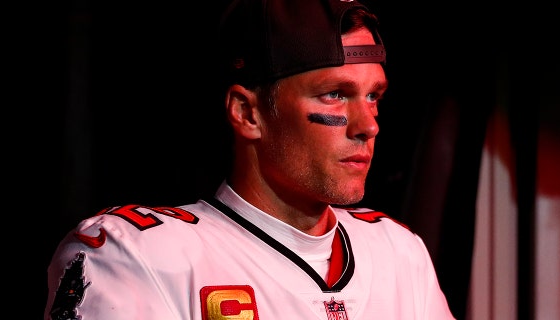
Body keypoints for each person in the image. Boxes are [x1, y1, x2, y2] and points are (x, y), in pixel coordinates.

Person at [45, 0, 456, 319]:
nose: (368, 125)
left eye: (373, 96)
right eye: (335, 94)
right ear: (247, 113)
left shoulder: (398, 252)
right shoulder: (135, 254)